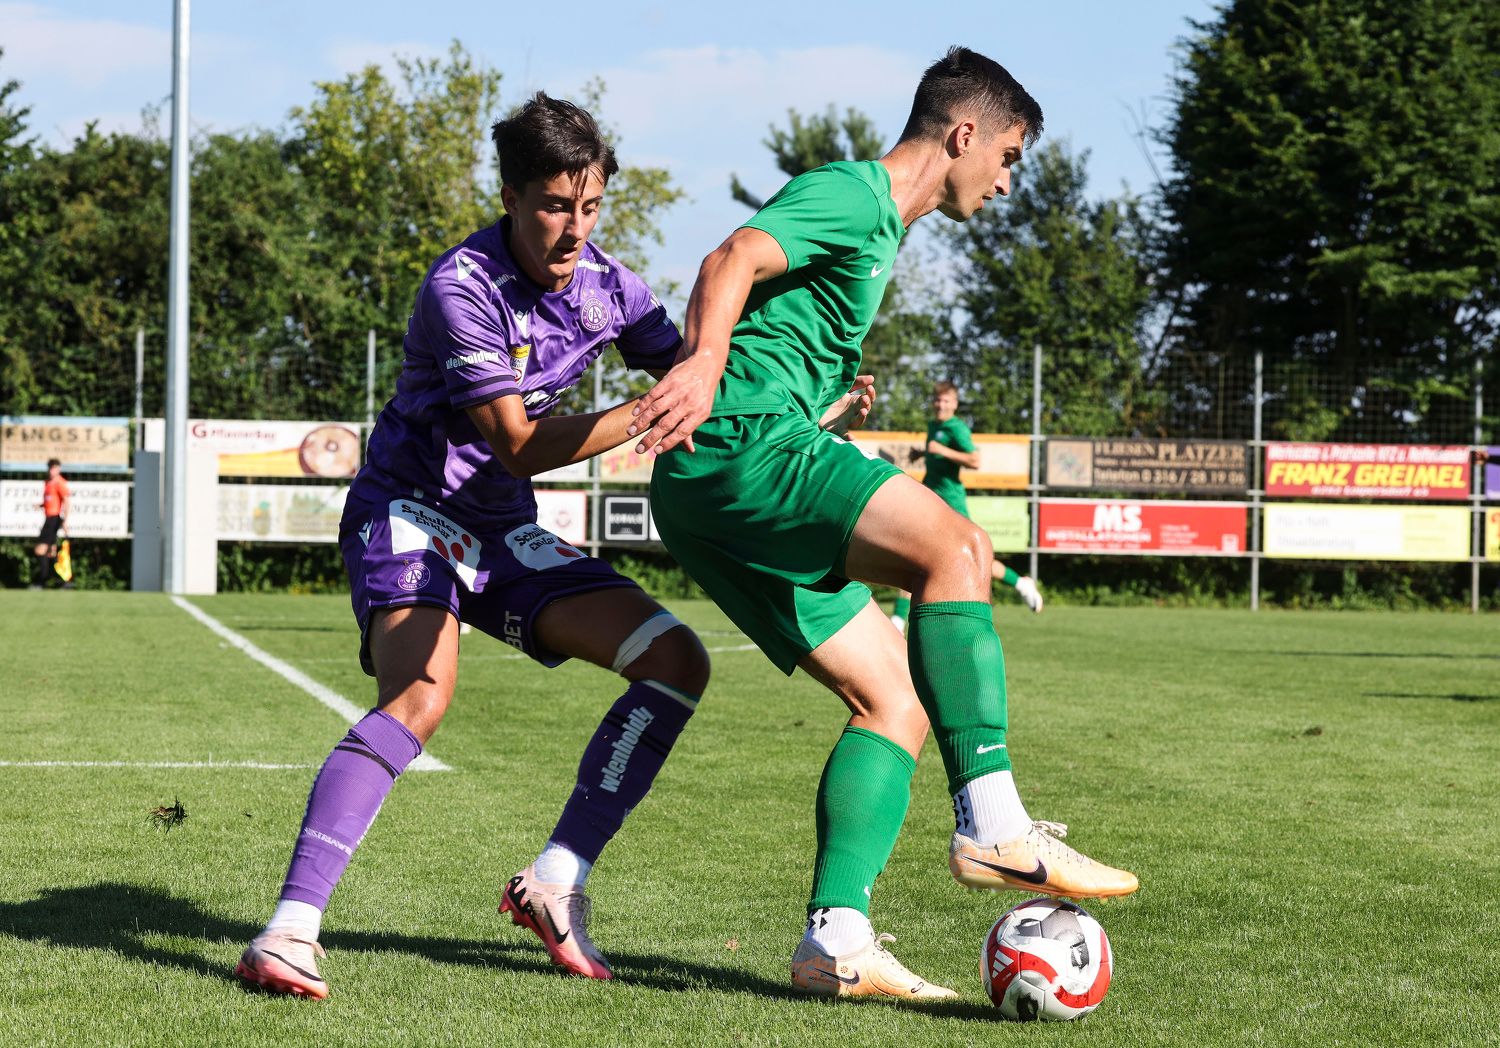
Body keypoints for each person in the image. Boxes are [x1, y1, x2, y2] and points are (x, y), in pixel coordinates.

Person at [631, 47, 1137, 1001]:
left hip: (717, 477)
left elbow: (770, 334)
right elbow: (728, 257)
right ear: (963, 134)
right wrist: (700, 367)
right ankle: (992, 820)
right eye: (1011, 155)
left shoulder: (878, 234)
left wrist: (821, 405)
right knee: (958, 548)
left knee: (896, 702)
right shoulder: (857, 196)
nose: (1008, 179)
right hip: (737, 445)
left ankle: (837, 938)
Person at [235, 93, 710, 999]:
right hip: (409, 512)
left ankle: (556, 881)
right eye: (554, 206)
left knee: (675, 660)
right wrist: (648, 413)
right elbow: (519, 442)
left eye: (591, 205)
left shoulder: (613, 287)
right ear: (510, 194)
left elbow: (691, 366)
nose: (574, 228)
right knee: (419, 695)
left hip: (500, 533)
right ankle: (289, 931)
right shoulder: (463, 286)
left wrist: (806, 399)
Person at [890, 380, 1041, 633]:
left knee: (972, 558)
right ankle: (896, 621)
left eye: (946, 401)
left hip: (951, 502)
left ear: (955, 404)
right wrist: (923, 454)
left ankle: (1021, 583)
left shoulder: (957, 428)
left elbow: (974, 460)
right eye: (938, 400)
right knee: (912, 552)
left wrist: (942, 450)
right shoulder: (934, 425)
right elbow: (937, 453)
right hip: (930, 498)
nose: (941, 405)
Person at [30, 458, 70, 590]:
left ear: (59, 469)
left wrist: (65, 521)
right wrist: (40, 505)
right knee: (51, 552)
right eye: (50, 468)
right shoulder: (48, 483)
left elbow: (67, 501)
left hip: (54, 519)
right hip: (49, 518)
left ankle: (42, 582)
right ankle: (62, 581)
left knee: (40, 549)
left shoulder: (60, 483)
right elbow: (50, 501)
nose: (52, 470)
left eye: (55, 468)